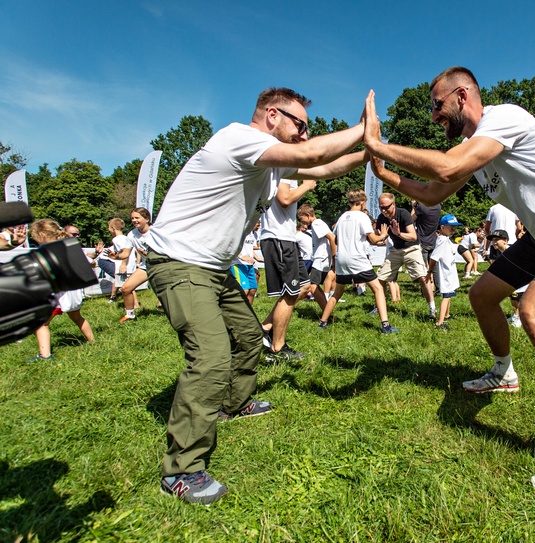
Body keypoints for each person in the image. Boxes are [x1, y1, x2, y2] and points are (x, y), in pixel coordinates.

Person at [364, 66, 535, 498]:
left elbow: (448, 167)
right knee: (483, 295)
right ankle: (504, 373)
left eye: (437, 106)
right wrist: (381, 170)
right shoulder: (475, 148)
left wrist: (379, 144)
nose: (433, 117)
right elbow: (433, 192)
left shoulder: (504, 118)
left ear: (462, 95)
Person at [145, 86, 370, 504]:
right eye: (299, 125)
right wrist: (361, 128)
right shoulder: (238, 138)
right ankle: (182, 470)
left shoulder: (266, 164)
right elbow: (311, 157)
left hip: (214, 268)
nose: (304, 135)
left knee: (250, 337)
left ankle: (233, 403)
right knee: (211, 356)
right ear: (271, 115)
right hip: (179, 262)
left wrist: (371, 152)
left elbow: (321, 169)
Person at [318, 189, 398, 333]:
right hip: (358, 259)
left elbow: (335, 238)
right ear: (361, 202)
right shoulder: (362, 217)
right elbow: (373, 238)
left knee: (337, 293)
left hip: (342, 259)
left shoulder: (342, 217)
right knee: (378, 288)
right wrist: (384, 235)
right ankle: (385, 325)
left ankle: (322, 322)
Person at [257, 177, 317, 361]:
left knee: (304, 287)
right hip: (279, 238)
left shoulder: (280, 171)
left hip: (286, 238)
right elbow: (284, 199)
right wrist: (307, 185)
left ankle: (265, 328)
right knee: (290, 293)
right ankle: (277, 348)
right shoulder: (284, 172)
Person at [25, 219, 95, 362]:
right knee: (77, 317)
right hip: (73, 293)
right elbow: (91, 263)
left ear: (42, 234)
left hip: (58, 295)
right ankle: (92, 341)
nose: (33, 238)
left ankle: (45, 355)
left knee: (41, 323)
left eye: (34, 235)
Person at [374, 193, 436, 318]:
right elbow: (378, 239)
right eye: (381, 207)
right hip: (396, 250)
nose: (384, 210)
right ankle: (378, 307)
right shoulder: (381, 218)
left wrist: (398, 234)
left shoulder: (403, 214)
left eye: (386, 207)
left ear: (394, 204)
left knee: (423, 277)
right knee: (380, 278)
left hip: (411, 248)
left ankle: (432, 309)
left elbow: (413, 236)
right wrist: (381, 237)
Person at [297, 204, 336, 313]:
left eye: (302, 219)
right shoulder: (318, 223)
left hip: (321, 258)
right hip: (321, 258)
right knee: (314, 285)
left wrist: (334, 258)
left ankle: (326, 312)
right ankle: (327, 310)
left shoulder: (316, 223)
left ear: (307, 215)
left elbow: (332, 238)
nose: (302, 221)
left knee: (313, 286)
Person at [117, 208, 154, 322]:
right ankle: (130, 315)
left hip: (162, 265)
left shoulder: (156, 232)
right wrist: (116, 256)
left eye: (137, 217)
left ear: (147, 219)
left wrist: (148, 254)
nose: (134, 220)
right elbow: (125, 254)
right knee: (125, 288)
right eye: (132, 218)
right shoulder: (131, 234)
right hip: (146, 266)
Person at [428, 213, 462, 329]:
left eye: (455, 227)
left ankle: (447, 315)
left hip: (450, 272)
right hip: (446, 274)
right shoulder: (442, 240)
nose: (453, 229)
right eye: (450, 226)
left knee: (449, 294)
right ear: (442, 227)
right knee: (446, 296)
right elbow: (434, 257)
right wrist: (429, 272)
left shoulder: (446, 239)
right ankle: (440, 322)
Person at [231, 220, 261, 305]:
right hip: (239, 264)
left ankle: (248, 312)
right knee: (244, 290)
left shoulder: (252, 234)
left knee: (252, 290)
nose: (258, 226)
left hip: (250, 265)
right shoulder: (240, 231)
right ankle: (237, 312)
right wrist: (241, 256)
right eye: (257, 223)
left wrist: (257, 258)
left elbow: (249, 248)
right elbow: (232, 246)